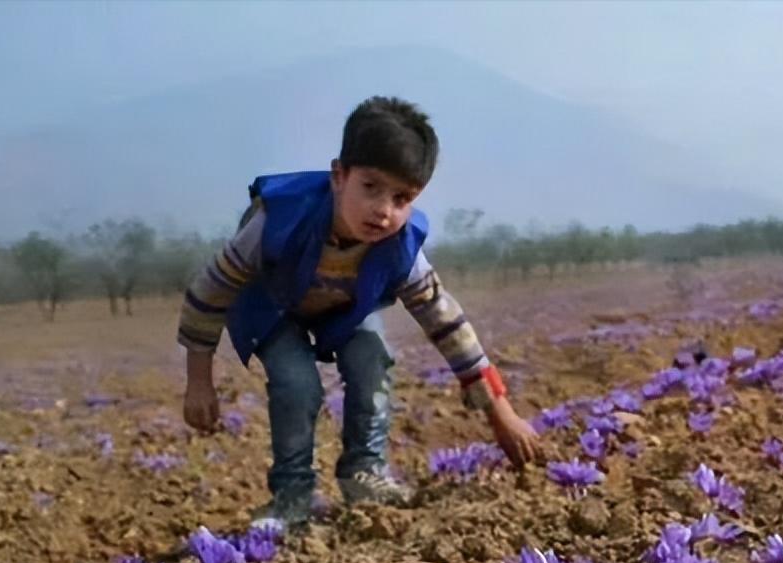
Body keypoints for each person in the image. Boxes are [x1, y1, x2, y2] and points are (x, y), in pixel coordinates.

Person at [177, 95, 540, 524]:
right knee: (297, 383)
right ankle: (292, 495)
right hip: (272, 307)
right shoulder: (277, 220)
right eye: (370, 187)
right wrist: (198, 380)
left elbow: (446, 322)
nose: (383, 210)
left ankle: (365, 472)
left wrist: (501, 413)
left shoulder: (400, 247)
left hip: (345, 309)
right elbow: (210, 291)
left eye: (402, 198)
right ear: (338, 176)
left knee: (372, 357)